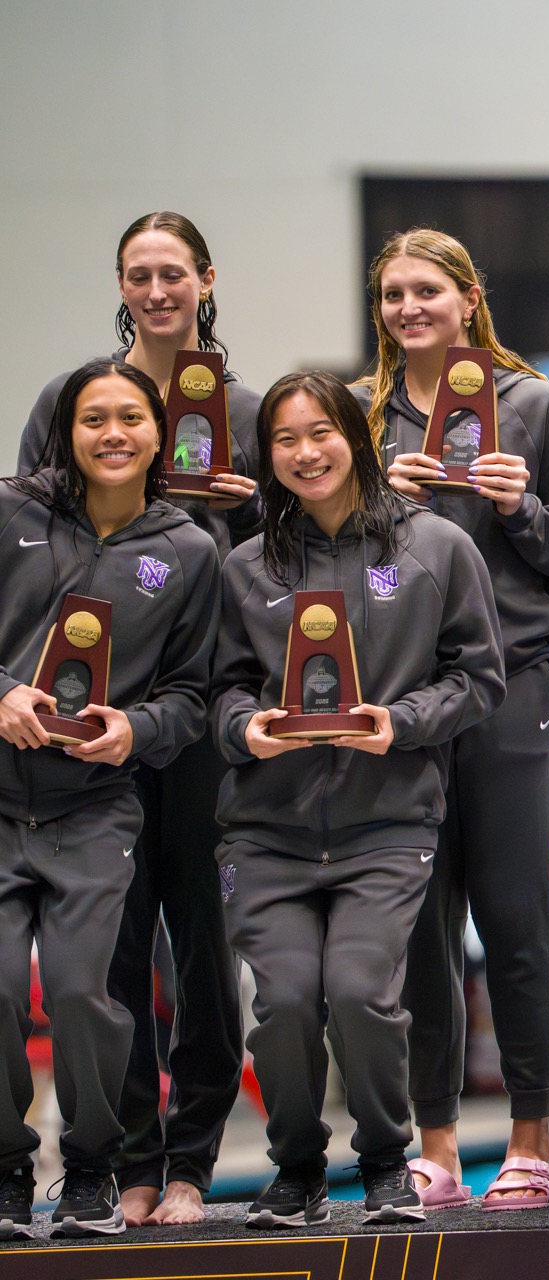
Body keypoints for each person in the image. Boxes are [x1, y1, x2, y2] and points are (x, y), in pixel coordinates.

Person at [210, 371, 505, 1227]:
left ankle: (383, 1159)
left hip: (387, 824)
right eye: (285, 440)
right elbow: (219, 690)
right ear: (267, 456)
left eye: (321, 433)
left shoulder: (437, 547)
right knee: (285, 1003)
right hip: (267, 829)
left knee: (359, 992)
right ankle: (298, 1168)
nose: (306, 453)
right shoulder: (246, 565)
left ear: (358, 437)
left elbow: (480, 679)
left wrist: (399, 723)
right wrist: (246, 728)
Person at [360, 228, 549, 1209]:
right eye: (394, 294)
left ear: (469, 297)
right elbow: (331, 564)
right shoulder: (364, 413)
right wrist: (378, 509)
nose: (409, 308)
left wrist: (520, 508)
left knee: (516, 916)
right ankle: (436, 1144)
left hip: (510, 686)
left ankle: (530, 1138)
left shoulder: (532, 404)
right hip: (404, 693)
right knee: (421, 924)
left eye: (427, 290)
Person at [17, 212, 258, 1226]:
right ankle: (127, 1158)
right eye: (139, 274)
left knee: (203, 942)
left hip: (192, 716)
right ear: (121, 285)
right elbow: (35, 543)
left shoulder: (246, 409)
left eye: (174, 273)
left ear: (206, 279)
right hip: (84, 733)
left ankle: (193, 1156)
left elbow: (282, 568)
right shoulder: (75, 397)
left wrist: (248, 512)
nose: (158, 291)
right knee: (105, 953)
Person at [0, 359, 219, 1236]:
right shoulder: (10, 512)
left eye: (131, 417)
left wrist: (137, 728)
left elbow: (192, 697)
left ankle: (92, 1167)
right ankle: (8, 1172)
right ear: (66, 432)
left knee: (84, 992)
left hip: (94, 807)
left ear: (161, 434)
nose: (113, 434)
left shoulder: (189, 550)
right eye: (94, 418)